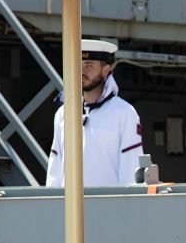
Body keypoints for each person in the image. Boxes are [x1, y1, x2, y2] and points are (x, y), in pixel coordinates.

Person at [45, 39, 143, 187]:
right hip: (70, 209)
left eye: (89, 66)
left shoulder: (124, 113)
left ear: (105, 71)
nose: (82, 71)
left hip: (109, 207)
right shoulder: (62, 114)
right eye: (79, 65)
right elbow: (55, 170)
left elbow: (130, 171)